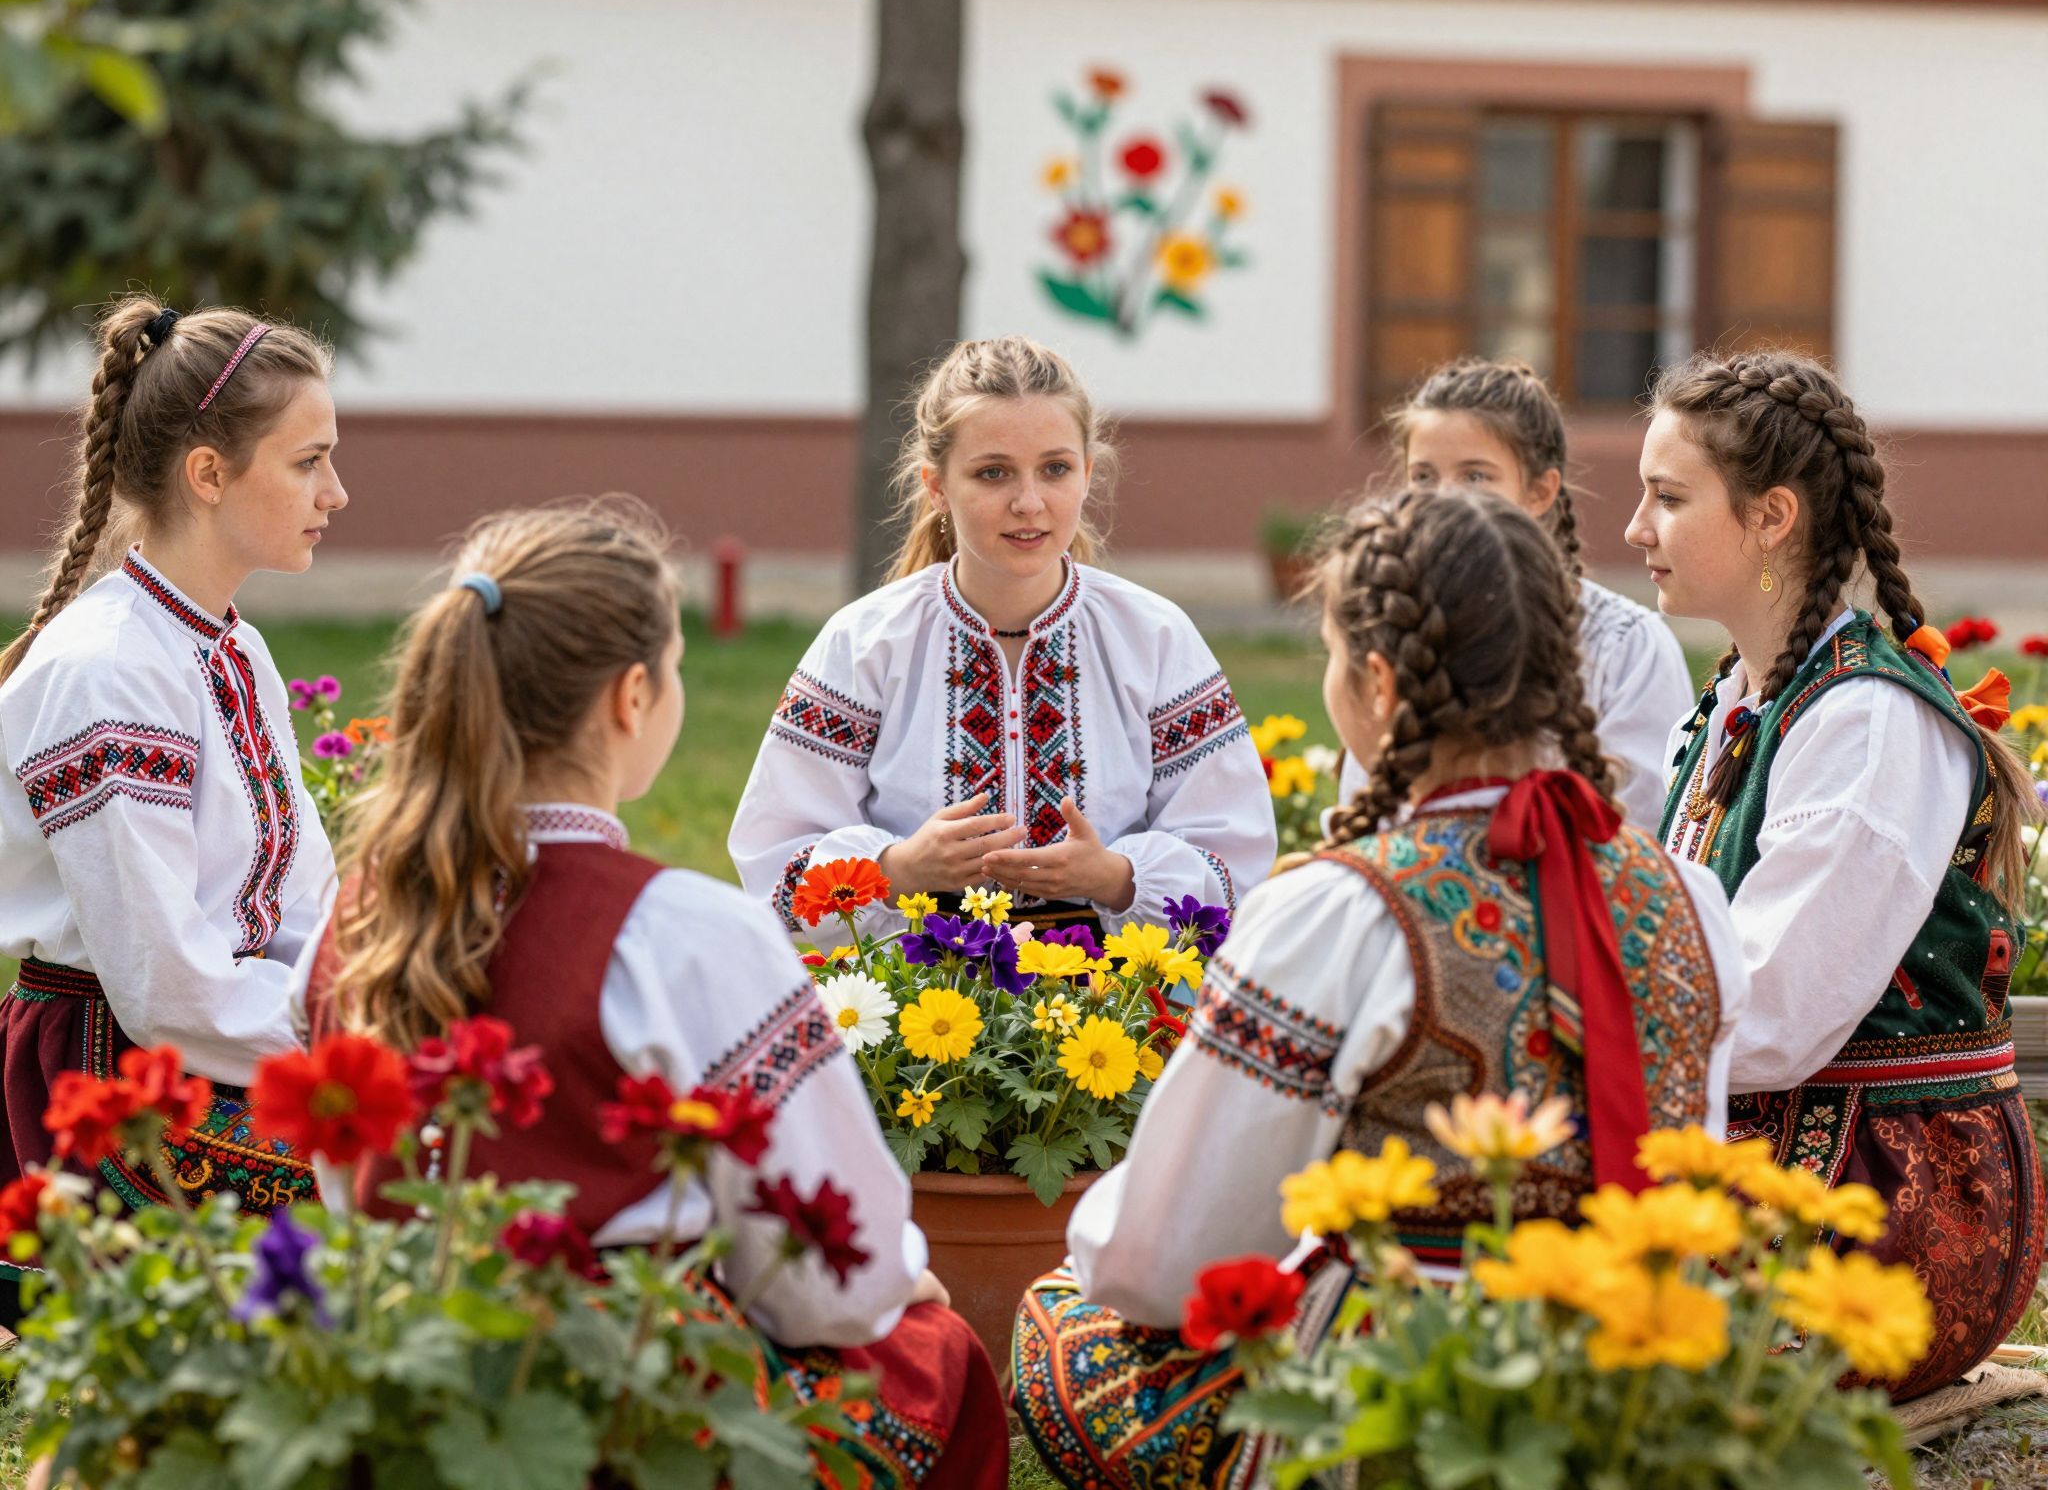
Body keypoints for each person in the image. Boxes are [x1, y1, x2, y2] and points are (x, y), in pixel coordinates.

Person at [1013, 488, 1747, 1488]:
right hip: (1638, 1396)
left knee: (1062, 1323)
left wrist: (1095, 1256)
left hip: (1407, 1407)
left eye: (1329, 654)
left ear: (1376, 681)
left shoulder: (1342, 911)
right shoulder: (1686, 896)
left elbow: (1161, 1258)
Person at [299, 503, 1006, 1489]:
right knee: (938, 1357)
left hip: (405, 1369)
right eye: (673, 666)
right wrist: (902, 1283)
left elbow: (348, 1189)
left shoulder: (360, 916)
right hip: (619, 1401)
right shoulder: (680, 935)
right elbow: (829, 1276)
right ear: (633, 697)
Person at [1634, 349, 2045, 1401]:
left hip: (1885, 1205)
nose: (1636, 529)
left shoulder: (1863, 721)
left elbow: (1772, 1015)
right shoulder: (1740, 699)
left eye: (1668, 498)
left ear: (1771, 517)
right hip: (1761, 1147)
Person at [0, 297, 345, 1322]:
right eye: (308, 462)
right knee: (395, 1185)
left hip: (223, 1037)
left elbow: (299, 893)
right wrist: (331, 1051)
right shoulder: (107, 672)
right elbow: (161, 982)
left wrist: (358, 1002)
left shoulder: (231, 645)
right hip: (107, 1082)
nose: (336, 492)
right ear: (207, 473)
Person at [731, 335, 1274, 941]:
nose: (1029, 502)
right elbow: (774, 863)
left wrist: (1117, 879)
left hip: (1119, 997)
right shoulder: (865, 644)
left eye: (1056, 469)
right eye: (993, 473)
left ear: (1088, 475)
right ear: (936, 486)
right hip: (910, 993)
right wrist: (899, 869)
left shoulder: (1155, 638)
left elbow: (1237, 862)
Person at [1334, 359, 1692, 829]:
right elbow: (1366, 802)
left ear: (1540, 492)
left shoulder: (1627, 647)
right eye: (1422, 477)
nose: (1443, 499)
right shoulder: (1398, 629)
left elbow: (1644, 822)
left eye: (1475, 477)